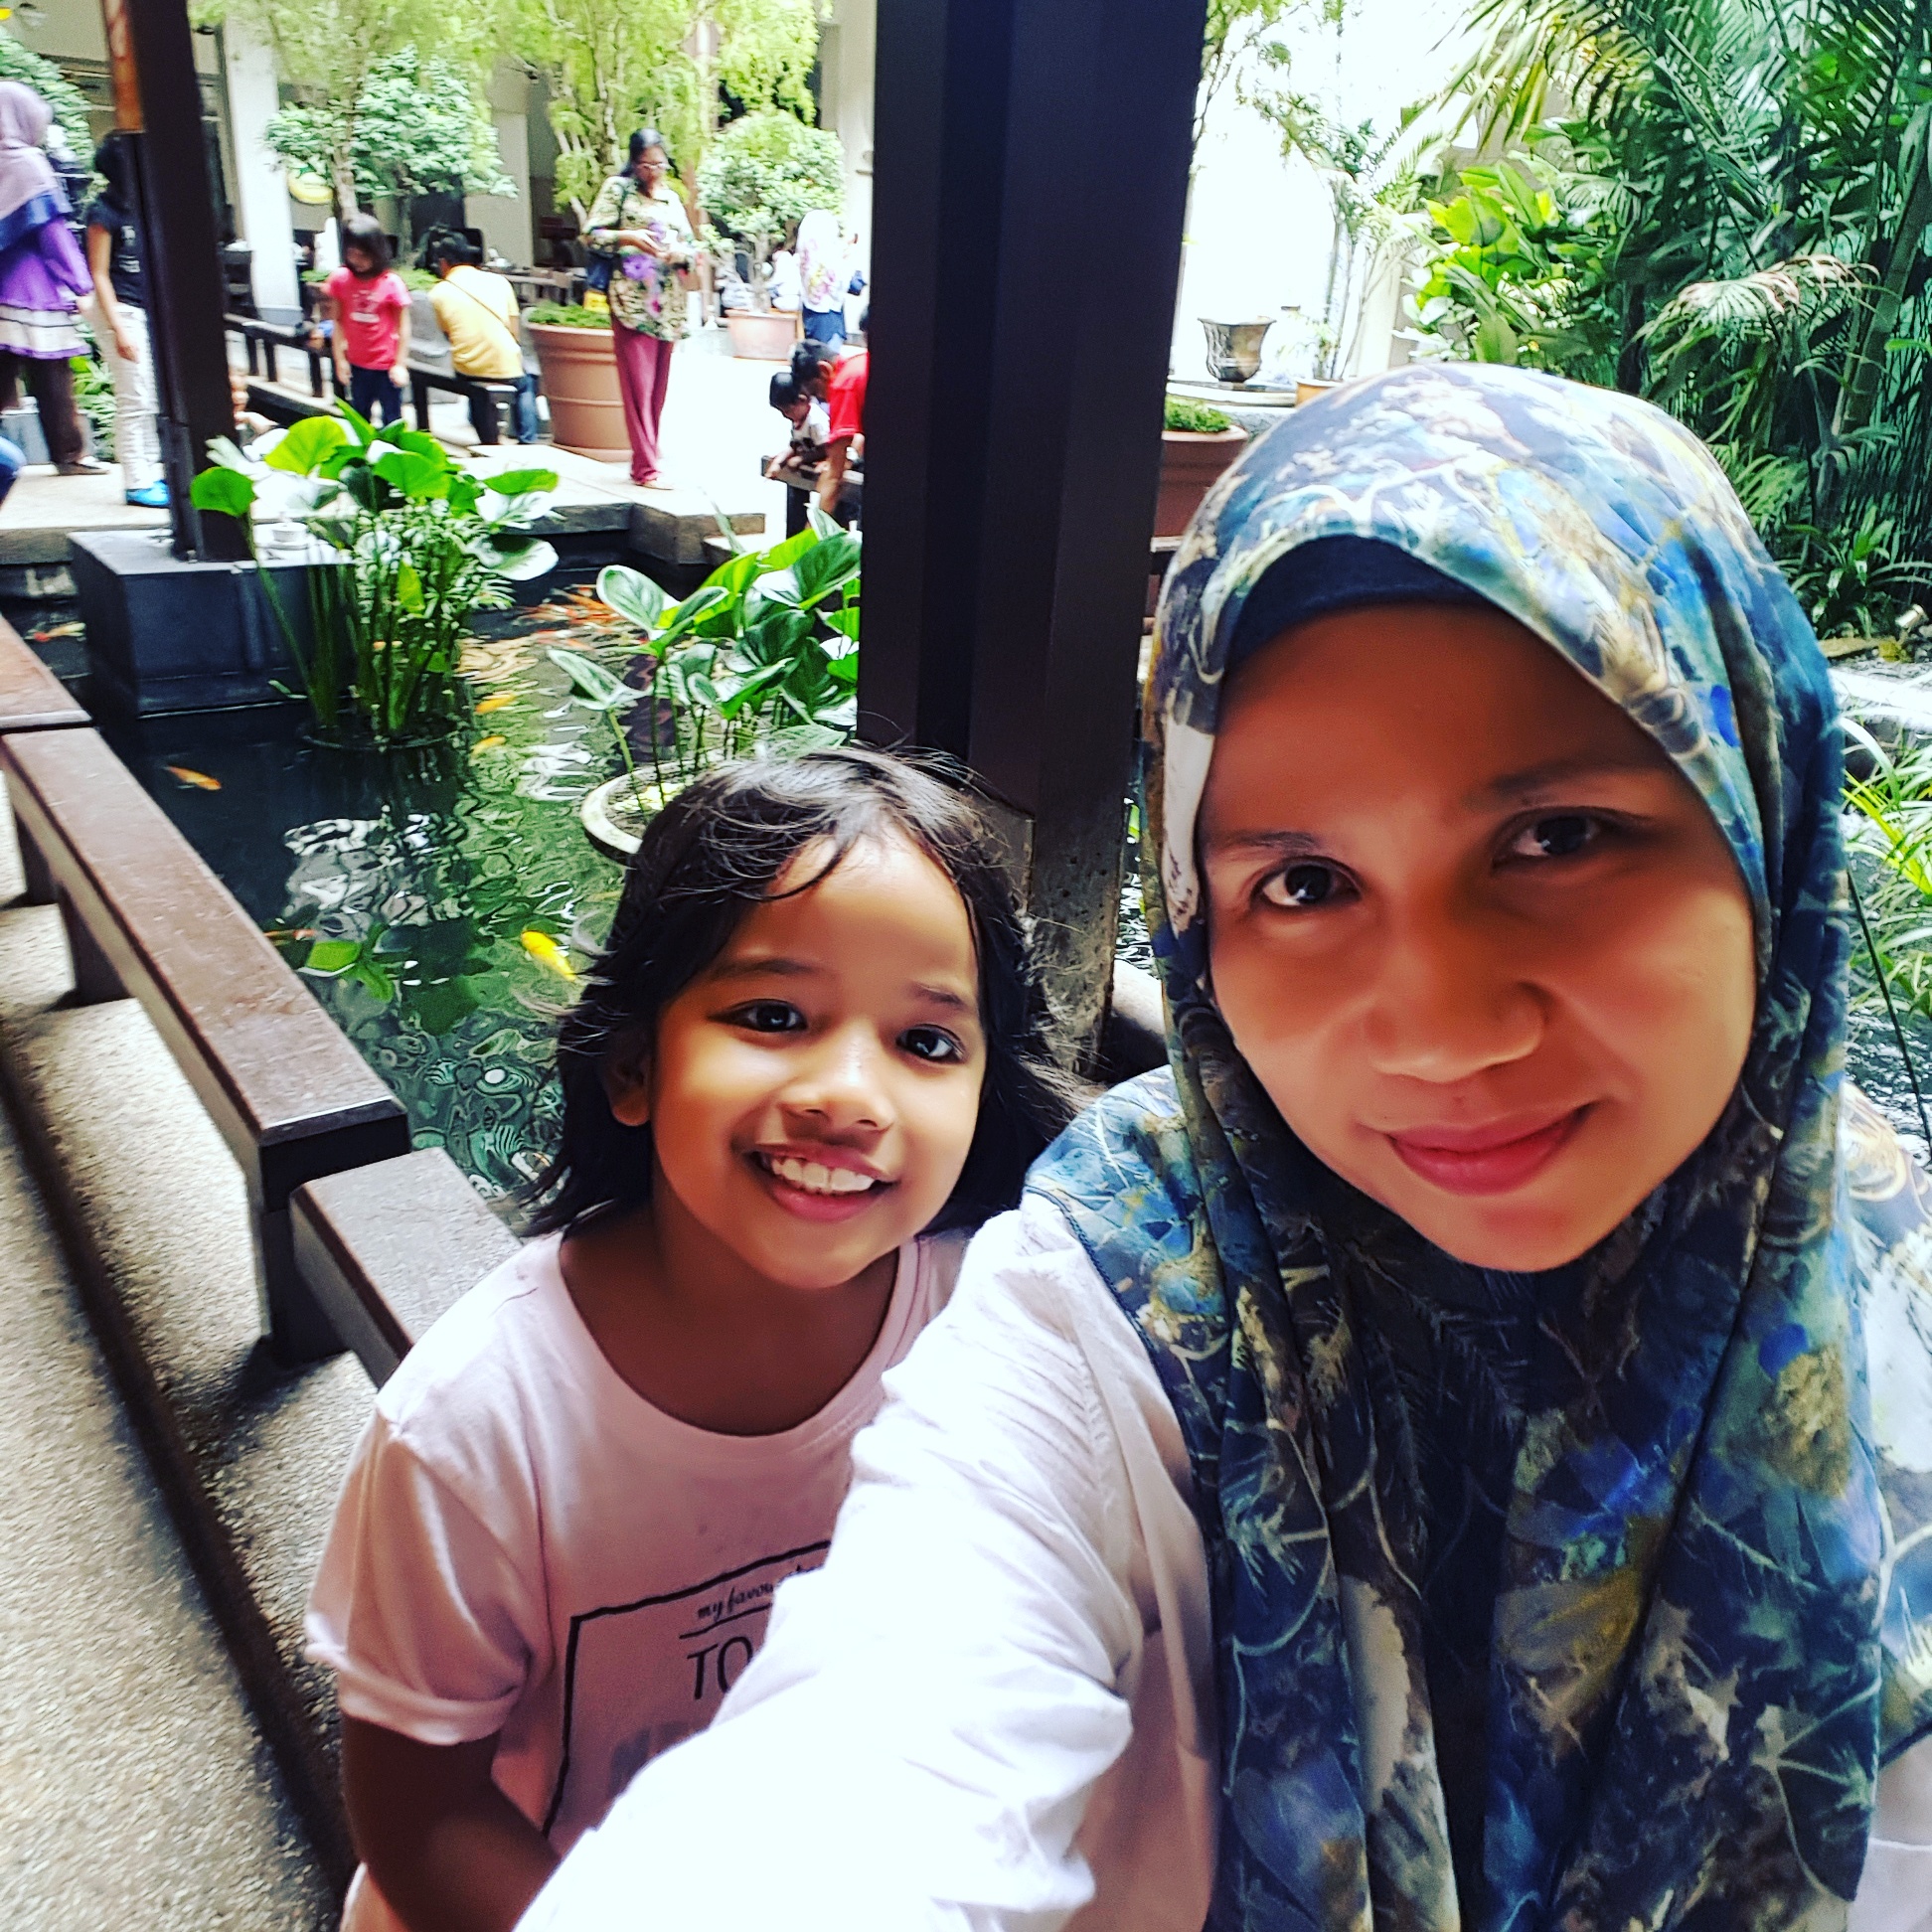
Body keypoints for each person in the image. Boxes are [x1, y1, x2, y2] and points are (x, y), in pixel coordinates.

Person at [518, 360, 1932, 1932]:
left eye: (1559, 837)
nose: (1439, 1032)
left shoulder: (1908, 1326)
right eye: (1304, 885)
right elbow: (881, 1738)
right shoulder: (1136, 1281)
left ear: (1762, 820)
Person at [305, 749, 1081, 1932]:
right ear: (635, 1066)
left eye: (927, 1043)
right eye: (773, 1016)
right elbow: (423, 1819)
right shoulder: (476, 1427)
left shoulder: (989, 1324)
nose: (850, 1094)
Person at [583, 129, 696, 491]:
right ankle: (646, 468)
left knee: (658, 390)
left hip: (667, 303)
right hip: (631, 299)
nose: (653, 171)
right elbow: (591, 234)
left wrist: (679, 253)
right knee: (638, 387)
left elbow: (692, 246)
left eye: (659, 164)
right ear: (634, 162)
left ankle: (646, 463)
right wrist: (629, 237)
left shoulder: (672, 198)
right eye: (646, 164)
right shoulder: (618, 190)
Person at [0, 82, 100, 477]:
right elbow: (52, 232)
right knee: (54, 377)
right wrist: (81, 285)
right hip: (31, 289)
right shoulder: (28, 163)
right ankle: (69, 456)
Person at [83, 132, 164, 508]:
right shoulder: (104, 212)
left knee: (150, 396)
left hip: (144, 309)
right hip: (120, 310)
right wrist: (119, 330)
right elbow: (99, 274)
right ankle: (136, 481)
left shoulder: (142, 206)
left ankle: (152, 472)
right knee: (135, 397)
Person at [426, 232, 540, 446]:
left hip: (468, 367)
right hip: (506, 364)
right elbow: (514, 330)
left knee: (474, 385)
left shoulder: (438, 292)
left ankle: (487, 440)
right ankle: (528, 440)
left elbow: (447, 333)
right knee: (525, 384)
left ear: (443, 263)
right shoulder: (499, 282)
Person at [326, 215, 411, 426]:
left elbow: (403, 326)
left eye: (363, 255)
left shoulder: (391, 283)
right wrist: (340, 360)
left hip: (386, 365)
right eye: (352, 254)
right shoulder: (341, 279)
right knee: (359, 417)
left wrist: (400, 364)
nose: (357, 261)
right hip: (357, 363)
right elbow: (337, 321)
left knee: (391, 419)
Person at [791, 331, 866, 520]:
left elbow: (834, 476)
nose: (824, 400)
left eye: (818, 392)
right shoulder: (860, 362)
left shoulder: (843, 384)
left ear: (824, 370)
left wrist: (813, 532)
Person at [795, 209, 865, 347]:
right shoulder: (833, 261)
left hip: (810, 320)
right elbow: (856, 286)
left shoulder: (806, 260)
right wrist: (851, 256)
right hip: (831, 323)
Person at [762, 371, 827, 480]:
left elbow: (825, 449)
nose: (785, 416)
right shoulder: (798, 421)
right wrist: (779, 462)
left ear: (802, 400)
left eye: (787, 411)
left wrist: (801, 459)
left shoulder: (815, 421)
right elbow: (794, 446)